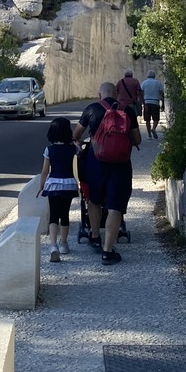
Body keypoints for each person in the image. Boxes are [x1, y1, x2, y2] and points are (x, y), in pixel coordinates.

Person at [72, 82, 141, 265]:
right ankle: (108, 251)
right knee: (115, 206)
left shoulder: (92, 109)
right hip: (121, 164)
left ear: (99, 94)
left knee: (94, 200)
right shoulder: (128, 111)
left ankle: (95, 237)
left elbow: (76, 135)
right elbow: (137, 139)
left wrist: (82, 142)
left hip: (96, 162)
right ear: (117, 94)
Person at [36, 116, 79, 262]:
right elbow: (81, 156)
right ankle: (64, 244)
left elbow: (44, 171)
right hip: (69, 184)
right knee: (65, 214)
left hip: (53, 183)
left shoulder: (49, 150)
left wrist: (41, 185)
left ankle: (53, 245)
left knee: (53, 215)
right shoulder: (73, 148)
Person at [140, 70, 165, 138]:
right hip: (155, 102)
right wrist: (162, 103)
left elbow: (141, 92)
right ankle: (153, 128)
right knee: (156, 119)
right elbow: (161, 93)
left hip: (147, 102)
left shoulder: (144, 83)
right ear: (154, 76)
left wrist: (142, 102)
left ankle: (149, 134)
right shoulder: (158, 83)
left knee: (147, 120)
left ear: (147, 75)